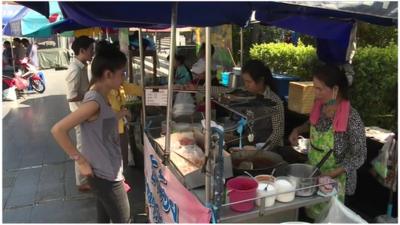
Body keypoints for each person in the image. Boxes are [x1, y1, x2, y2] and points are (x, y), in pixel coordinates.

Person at [51, 45, 131, 223]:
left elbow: (100, 123)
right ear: (108, 74)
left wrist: (120, 114)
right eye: (122, 73)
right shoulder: (94, 102)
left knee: (103, 219)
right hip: (105, 176)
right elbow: (58, 130)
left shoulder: (100, 97)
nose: (124, 78)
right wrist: (80, 160)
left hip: (105, 172)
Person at [288, 64, 367, 220]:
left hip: (338, 183)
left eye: (319, 89)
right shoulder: (320, 106)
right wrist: (298, 129)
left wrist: (332, 174)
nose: (315, 94)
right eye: (314, 87)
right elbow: (312, 123)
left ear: (335, 89)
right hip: (314, 176)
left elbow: (359, 156)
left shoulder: (352, 118)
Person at [65, 36, 95, 192]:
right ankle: (82, 181)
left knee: (86, 146)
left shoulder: (82, 66)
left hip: (84, 112)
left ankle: (87, 176)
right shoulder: (75, 69)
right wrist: (88, 95)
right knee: (82, 147)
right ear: (82, 51)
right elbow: (71, 95)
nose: (93, 53)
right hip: (79, 113)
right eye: (91, 50)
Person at [241, 59, 284, 149]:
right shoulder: (248, 95)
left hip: (269, 149)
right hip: (250, 143)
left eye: (249, 82)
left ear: (260, 81)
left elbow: (278, 132)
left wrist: (261, 149)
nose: (246, 85)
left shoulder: (274, 101)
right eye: (244, 81)